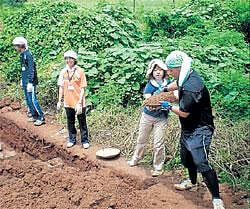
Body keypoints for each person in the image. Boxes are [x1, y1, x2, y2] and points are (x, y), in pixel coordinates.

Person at [160, 50, 225, 209]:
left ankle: (216, 199)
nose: (169, 72)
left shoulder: (192, 88)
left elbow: (184, 112)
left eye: (171, 70)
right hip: (188, 128)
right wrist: (166, 89)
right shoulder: (186, 74)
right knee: (186, 158)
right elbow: (178, 83)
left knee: (201, 162)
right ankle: (192, 181)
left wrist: (169, 106)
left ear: (179, 68)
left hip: (200, 128)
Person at [128, 59, 171, 177]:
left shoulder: (169, 83)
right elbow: (148, 101)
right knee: (141, 139)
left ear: (164, 71)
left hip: (161, 118)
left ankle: (158, 167)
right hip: (147, 117)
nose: (158, 72)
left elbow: (174, 97)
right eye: (155, 70)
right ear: (152, 72)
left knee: (158, 143)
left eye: (160, 70)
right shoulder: (150, 85)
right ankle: (136, 159)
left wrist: (166, 101)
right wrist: (161, 99)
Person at [57, 50, 90, 149]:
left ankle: (85, 140)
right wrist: (59, 101)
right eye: (67, 59)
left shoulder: (80, 71)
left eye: (70, 58)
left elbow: (83, 87)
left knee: (82, 121)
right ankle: (72, 139)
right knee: (70, 121)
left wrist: (80, 102)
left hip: (78, 102)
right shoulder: (63, 72)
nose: (69, 60)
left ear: (74, 60)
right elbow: (61, 87)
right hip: (68, 101)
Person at [12, 37, 45, 126]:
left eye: (16, 46)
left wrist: (30, 82)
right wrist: (22, 80)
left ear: (21, 46)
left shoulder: (28, 55)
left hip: (31, 82)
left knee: (33, 100)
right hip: (25, 81)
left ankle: (41, 117)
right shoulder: (22, 55)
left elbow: (31, 69)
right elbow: (23, 70)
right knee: (28, 100)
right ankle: (34, 116)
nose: (15, 48)